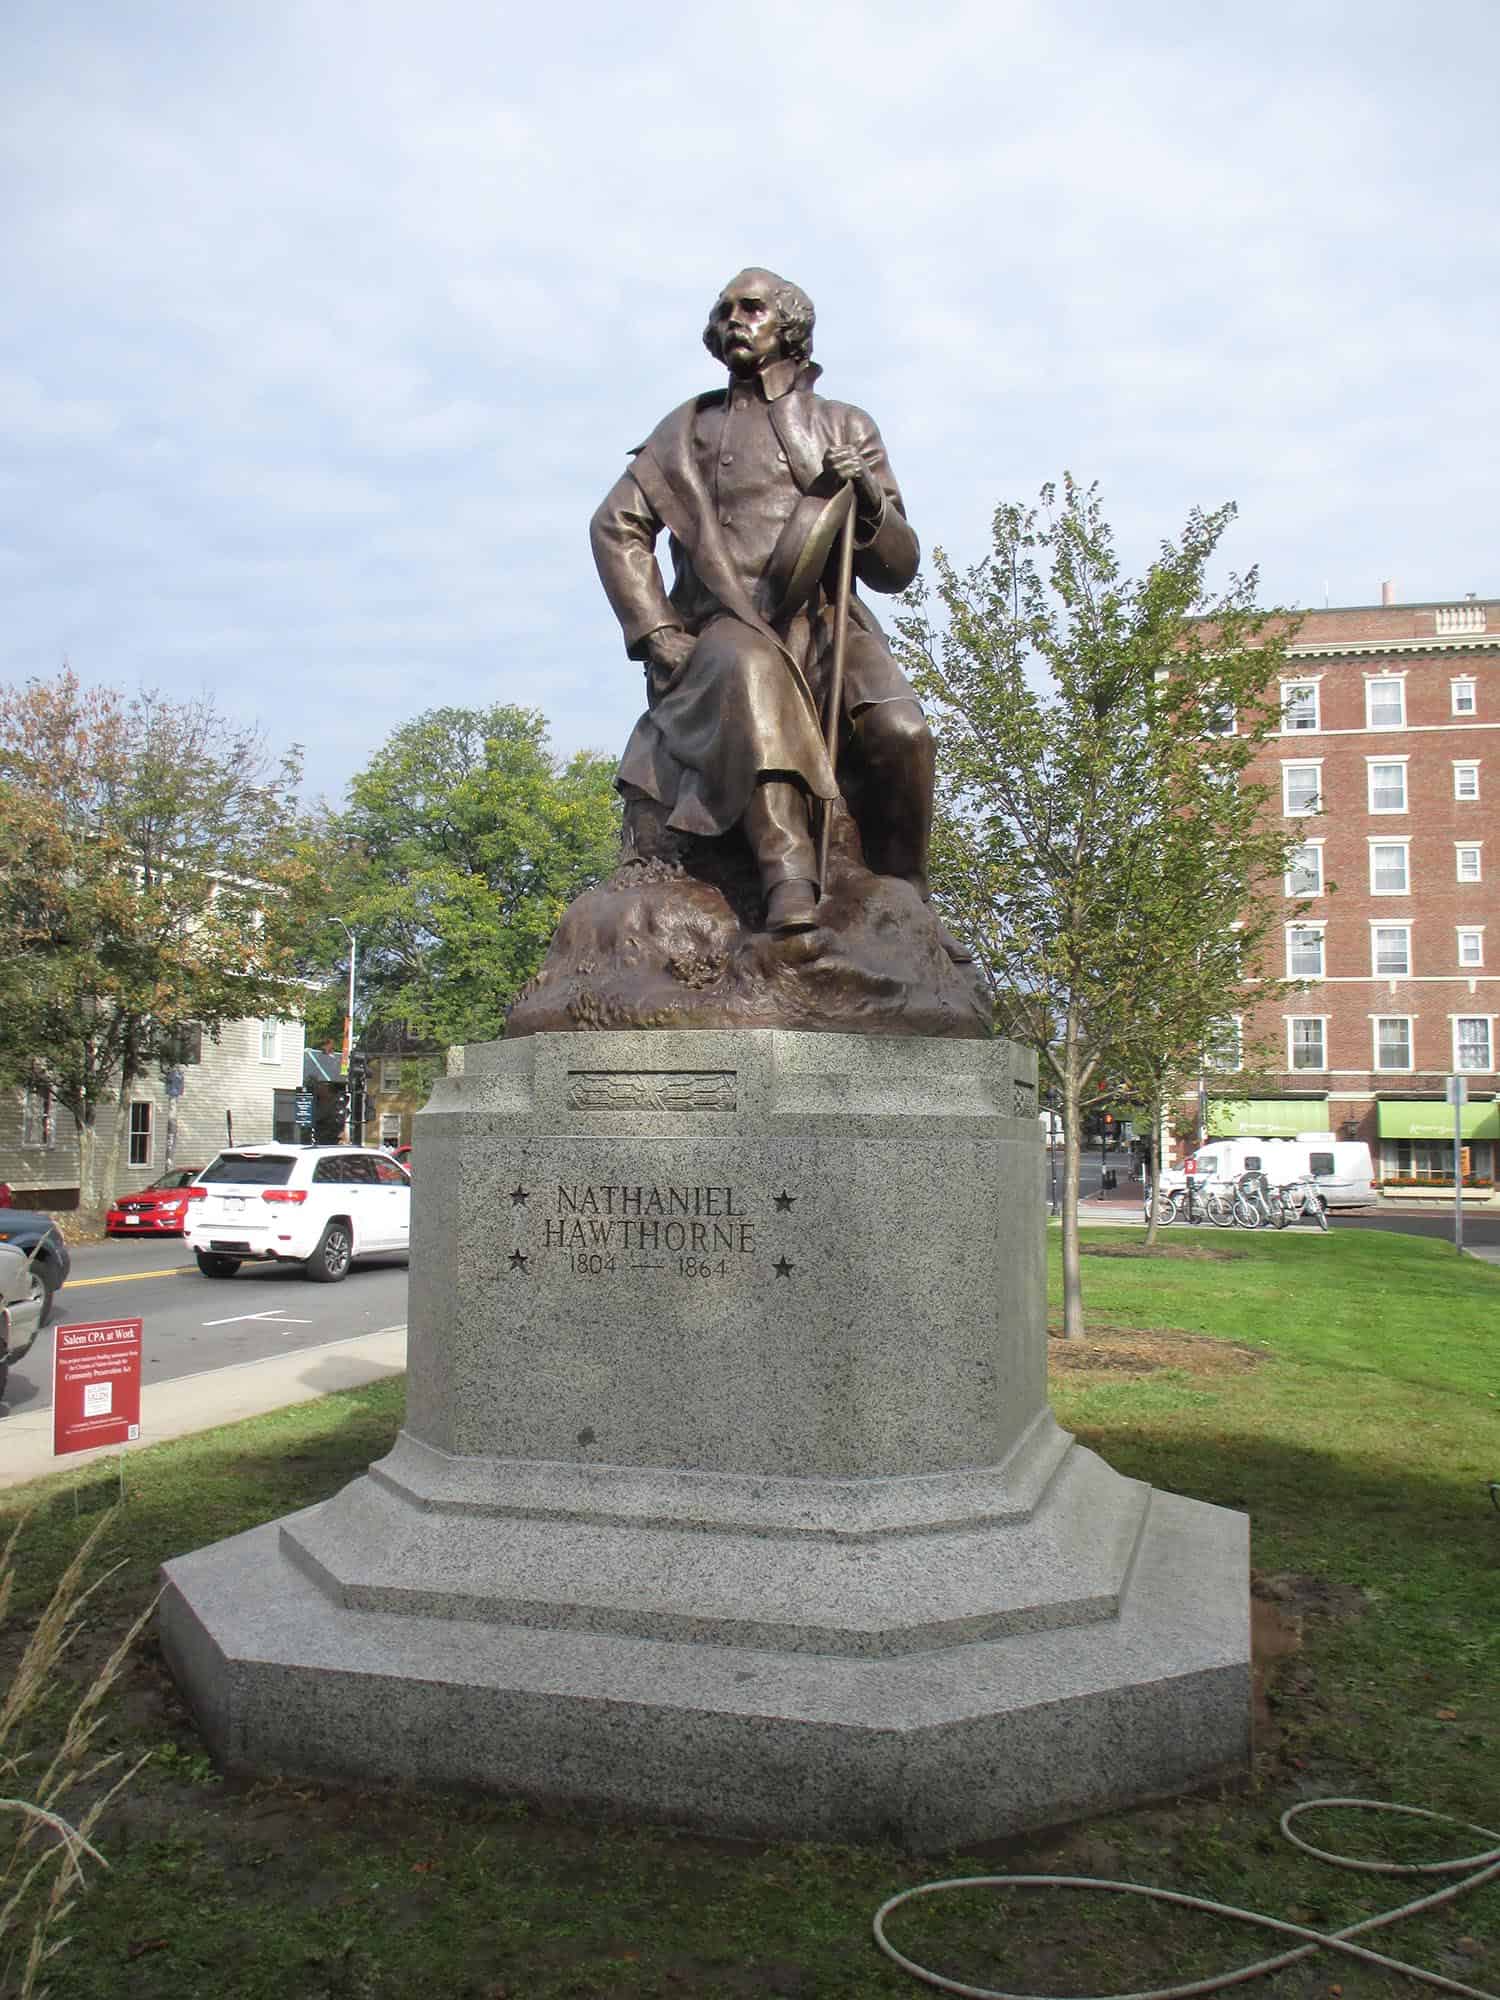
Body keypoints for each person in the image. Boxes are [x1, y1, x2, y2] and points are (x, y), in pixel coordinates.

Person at [591, 267, 962, 953]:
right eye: (725, 309)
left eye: (752, 307)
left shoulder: (844, 425)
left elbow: (898, 568)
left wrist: (870, 500)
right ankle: (788, 879)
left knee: (904, 731)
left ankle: (907, 894)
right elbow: (616, 526)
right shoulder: (688, 431)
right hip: (726, 622)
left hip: (827, 626)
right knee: (753, 673)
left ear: (790, 325)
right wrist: (657, 631)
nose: (735, 318)